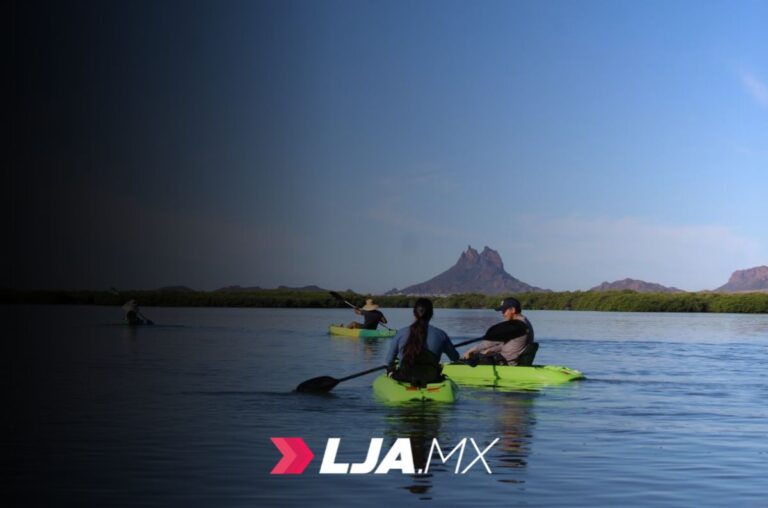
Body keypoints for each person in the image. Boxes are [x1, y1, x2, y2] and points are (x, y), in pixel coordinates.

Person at [384, 298, 460, 385]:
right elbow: (455, 358)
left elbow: (388, 361)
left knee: (390, 368)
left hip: (405, 377)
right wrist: (444, 348)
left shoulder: (400, 333)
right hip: (432, 378)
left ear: (414, 314)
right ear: (431, 314)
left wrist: (392, 368)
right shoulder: (441, 335)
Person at [462, 297, 535, 366]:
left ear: (513, 310)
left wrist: (471, 350)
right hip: (508, 359)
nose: (502, 314)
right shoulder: (524, 321)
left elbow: (490, 342)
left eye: (504, 311)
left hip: (505, 363)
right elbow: (511, 344)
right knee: (483, 353)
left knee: (469, 359)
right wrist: (491, 350)